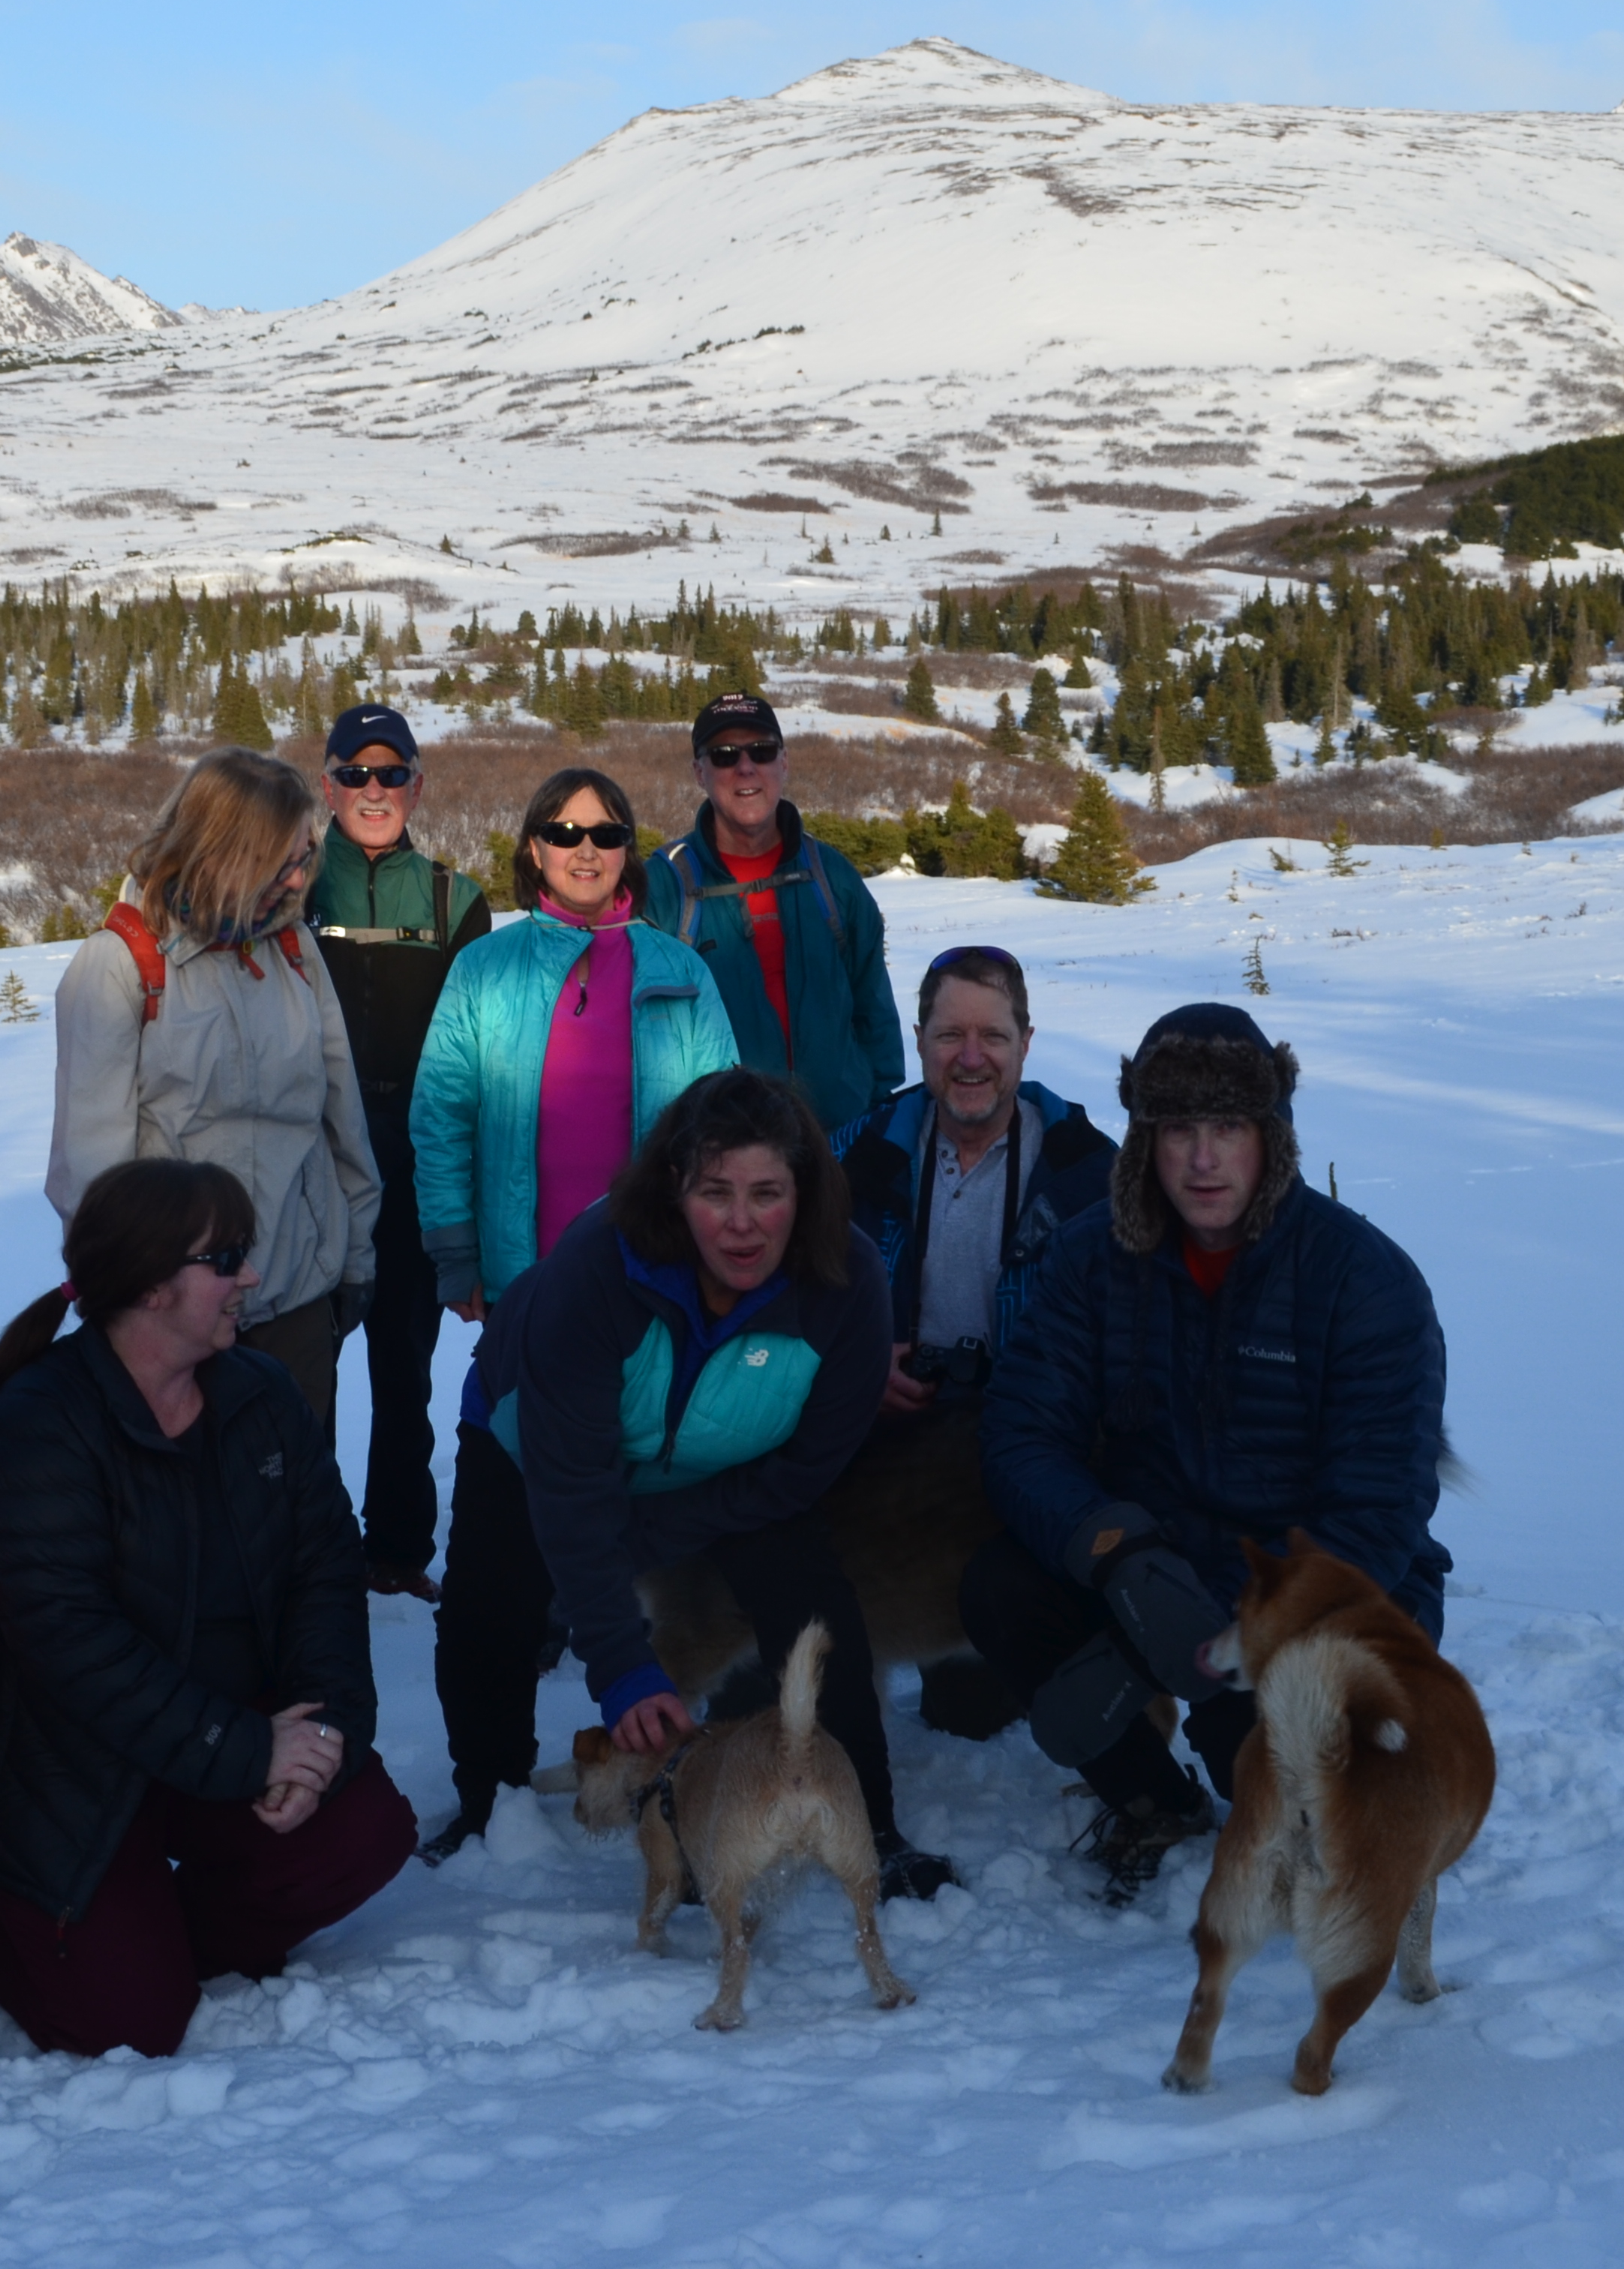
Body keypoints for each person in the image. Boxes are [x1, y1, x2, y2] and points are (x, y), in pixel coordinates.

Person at [0, 1158, 415, 2058]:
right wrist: (249, 1750)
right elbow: (74, 1648)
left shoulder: (260, 1395)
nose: (249, 1277)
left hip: (215, 1735)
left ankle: (143, 1944)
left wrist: (321, 1733)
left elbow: (323, 1569)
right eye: (224, 1259)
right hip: (66, 1766)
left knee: (361, 1834)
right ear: (149, 1285)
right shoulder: (36, 1426)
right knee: (128, 2026)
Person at [968, 1003, 1453, 1904]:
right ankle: (1152, 1801)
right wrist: (1114, 1550)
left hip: (1317, 1597)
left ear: (1270, 1135)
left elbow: (1381, 1506)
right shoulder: (1090, 1259)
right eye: (1175, 1130)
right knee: (1001, 1587)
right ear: (1142, 1143)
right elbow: (1022, 1434)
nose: (1201, 1159)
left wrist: (1235, 1626)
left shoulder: (1363, 1279)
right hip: (1155, 1567)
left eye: (1226, 1127)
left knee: (1290, 1788)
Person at [464, 1066, 956, 1899]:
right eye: (714, 1193)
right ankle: (486, 1803)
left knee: (810, 1595)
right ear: (672, 1186)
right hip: (533, 1435)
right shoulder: (596, 1269)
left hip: (728, 1455)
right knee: (495, 1597)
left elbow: (803, 1472)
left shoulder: (845, 1285)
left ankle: (871, 1825)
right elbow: (571, 1489)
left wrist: (642, 1537)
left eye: (767, 1193)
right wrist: (624, 1668)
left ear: (804, 1192)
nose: (741, 1223)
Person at [408, 764, 734, 1855]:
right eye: (563, 831)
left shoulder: (679, 972)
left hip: (656, 1313)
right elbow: (442, 1109)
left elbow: (728, 1123)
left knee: (677, 1554)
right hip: (528, 1310)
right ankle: (489, 1787)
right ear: (532, 848)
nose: (585, 849)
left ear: (629, 847)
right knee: (491, 1574)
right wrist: (455, 1248)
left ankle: (693, 1774)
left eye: (605, 832)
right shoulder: (488, 969)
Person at [49, 746, 379, 1438]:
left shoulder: (294, 951)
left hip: (295, 1302)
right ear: (223, 851)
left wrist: (353, 1262)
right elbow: (90, 1173)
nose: (298, 879)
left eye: (303, 857)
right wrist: (129, 1300)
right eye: (281, 862)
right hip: (173, 1321)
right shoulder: (120, 964)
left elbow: (341, 1123)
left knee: (297, 1493)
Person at [832, 942, 1118, 1739]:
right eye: (949, 1035)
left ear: (1026, 1043)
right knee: (794, 1655)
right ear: (918, 1040)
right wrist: (853, 1371)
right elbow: (780, 1303)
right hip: (874, 1447)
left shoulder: (1090, 1175)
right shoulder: (850, 1157)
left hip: (1012, 1457)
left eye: (992, 1036)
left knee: (977, 1708)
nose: (970, 1058)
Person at [302, 704, 492, 1598]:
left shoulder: (457, 902)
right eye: (354, 774)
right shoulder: (289, 891)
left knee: (403, 1368)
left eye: (389, 774)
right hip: (315, 1158)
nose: (371, 791)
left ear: (417, 785)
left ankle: (397, 1552)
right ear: (326, 784)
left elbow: (476, 1055)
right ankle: (308, 1549)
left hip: (417, 1156)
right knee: (304, 1365)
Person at [641, 694, 902, 1135]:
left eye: (761, 751)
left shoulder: (831, 875)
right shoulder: (665, 886)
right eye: (725, 755)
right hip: (721, 1148)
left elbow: (873, 1007)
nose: (746, 768)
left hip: (841, 1138)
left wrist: (877, 1116)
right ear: (700, 772)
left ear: (784, 762)